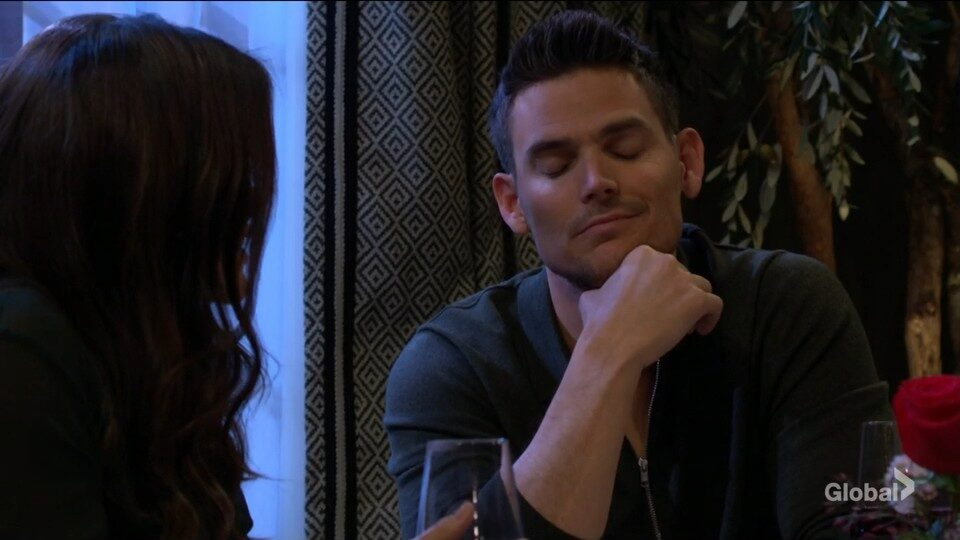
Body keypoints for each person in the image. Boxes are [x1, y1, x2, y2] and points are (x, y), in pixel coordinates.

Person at [385, 10, 893, 540]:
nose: (596, 181)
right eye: (556, 166)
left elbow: (866, 525)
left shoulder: (788, 307)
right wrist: (610, 353)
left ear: (687, 161)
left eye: (624, 148)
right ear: (513, 204)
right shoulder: (453, 367)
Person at [0, 14, 275, 539]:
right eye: (227, 176)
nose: (252, 202)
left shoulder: (153, 359)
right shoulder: (22, 351)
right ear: (141, 193)